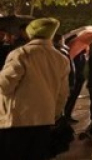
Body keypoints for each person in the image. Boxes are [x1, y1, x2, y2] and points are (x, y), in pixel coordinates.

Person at [0, 17, 71, 159]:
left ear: (30, 33)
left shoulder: (21, 54)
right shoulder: (62, 59)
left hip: (16, 122)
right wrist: (53, 114)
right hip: (44, 122)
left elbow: (4, 86)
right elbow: (62, 94)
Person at [65, 48, 87, 122]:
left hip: (79, 80)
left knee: (73, 99)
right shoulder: (74, 56)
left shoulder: (82, 56)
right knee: (70, 99)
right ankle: (66, 116)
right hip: (75, 80)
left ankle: (68, 115)